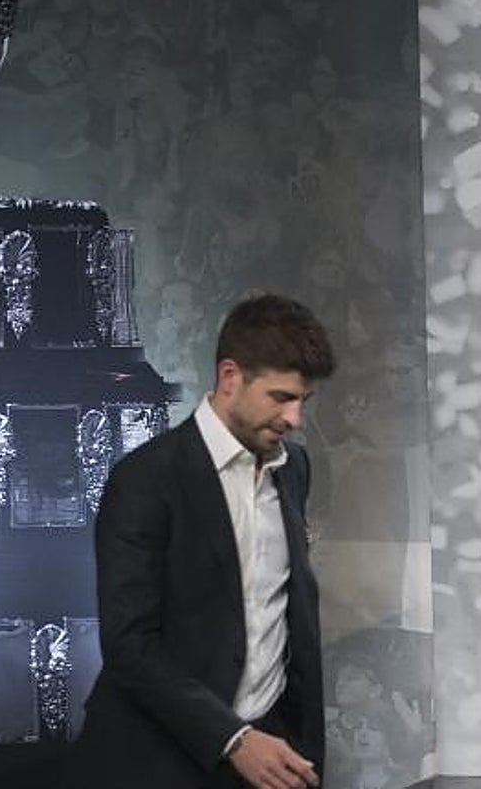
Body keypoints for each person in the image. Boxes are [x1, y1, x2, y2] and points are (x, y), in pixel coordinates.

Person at [74, 293, 335, 789]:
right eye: (281, 398)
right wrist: (233, 738)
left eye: (304, 401)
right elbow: (130, 646)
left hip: (270, 754)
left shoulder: (295, 468)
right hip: (157, 760)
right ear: (230, 378)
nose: (295, 419)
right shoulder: (144, 480)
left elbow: (286, 617)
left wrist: (298, 747)